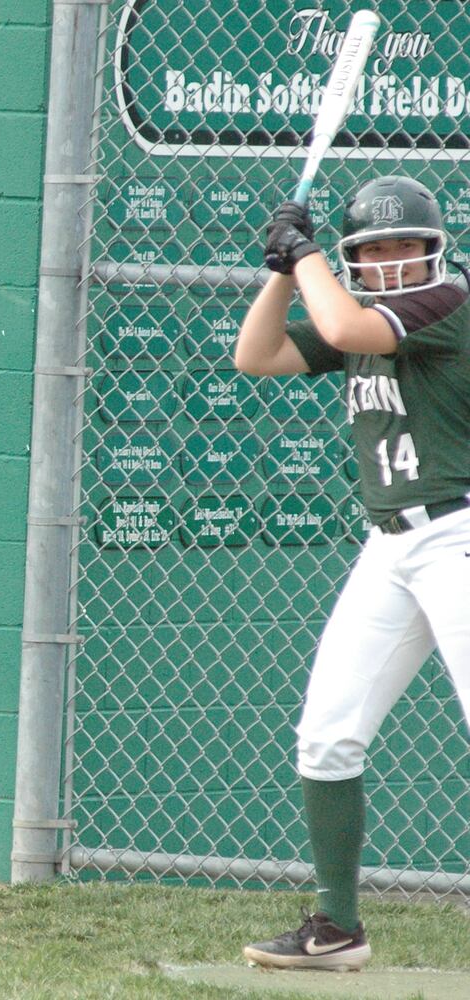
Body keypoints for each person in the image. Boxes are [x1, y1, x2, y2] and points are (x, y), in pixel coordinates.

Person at [234, 175, 470, 971]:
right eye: (372, 250)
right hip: (390, 547)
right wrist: (279, 268)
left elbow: (336, 317)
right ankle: (335, 926)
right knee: (326, 735)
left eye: (405, 245)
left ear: (433, 250)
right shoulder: (361, 310)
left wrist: (303, 256)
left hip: (458, 534)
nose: (393, 261)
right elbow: (254, 354)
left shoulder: (444, 305)